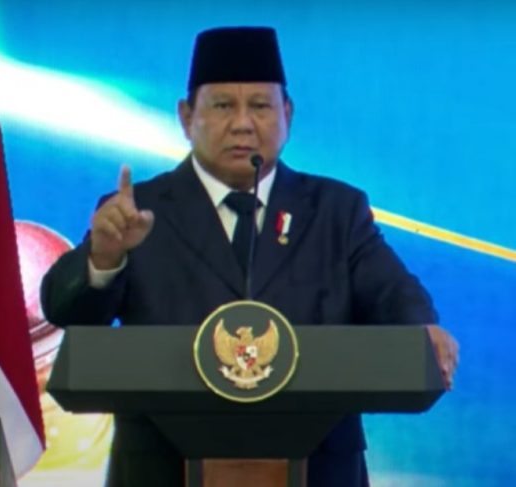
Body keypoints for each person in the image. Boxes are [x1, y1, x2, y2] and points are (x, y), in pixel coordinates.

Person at [41, 26, 459, 487]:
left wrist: (421, 327)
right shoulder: (136, 211)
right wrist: (103, 260)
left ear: (288, 115)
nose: (243, 124)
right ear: (186, 117)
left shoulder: (336, 211)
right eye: (223, 106)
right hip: (161, 469)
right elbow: (64, 310)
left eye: (260, 106)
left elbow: (391, 290)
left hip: (319, 469)